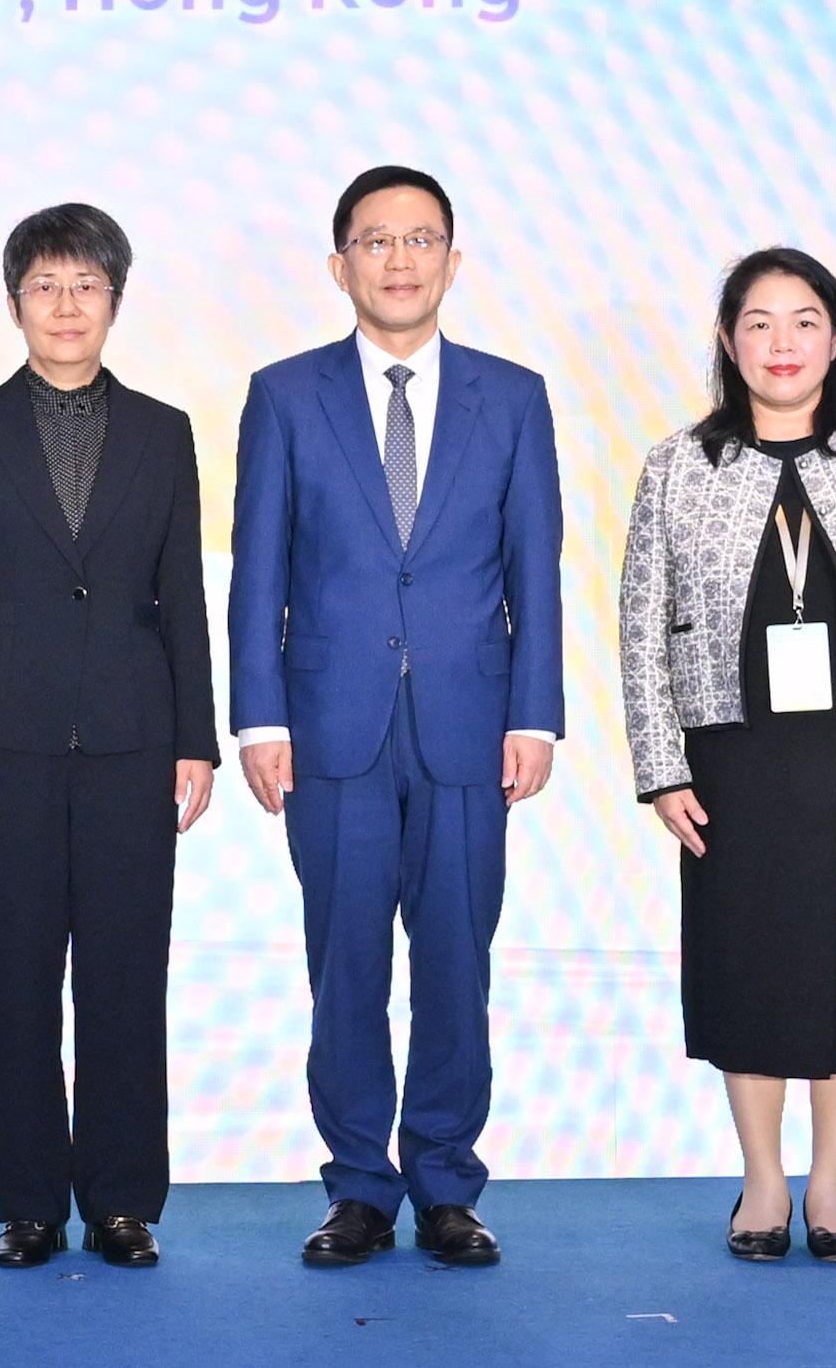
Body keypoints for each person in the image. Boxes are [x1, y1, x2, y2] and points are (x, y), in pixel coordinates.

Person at [229, 164, 563, 1268]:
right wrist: (258, 718)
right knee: (345, 965)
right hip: (328, 726)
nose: (400, 258)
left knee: (457, 959)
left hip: (473, 723)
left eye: (421, 238)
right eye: (377, 240)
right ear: (341, 265)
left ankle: (446, 1181)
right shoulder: (284, 394)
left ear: (453, 262)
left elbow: (536, 568)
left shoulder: (511, 396)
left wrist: (538, 714)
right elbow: (257, 567)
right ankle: (360, 1185)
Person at [617, 248, 836, 1265]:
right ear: (729, 341)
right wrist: (662, 764)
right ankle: (762, 1179)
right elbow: (641, 622)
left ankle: (831, 1180)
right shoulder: (678, 464)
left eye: (804, 319)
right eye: (759, 321)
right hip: (735, 748)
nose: (782, 342)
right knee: (748, 952)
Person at [0, 203, 218, 1269]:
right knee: (16, 974)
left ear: (116, 300)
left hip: (136, 738)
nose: (66, 304)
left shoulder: (163, 429)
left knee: (129, 976)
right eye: (45, 284)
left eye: (86, 283)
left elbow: (182, 593)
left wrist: (197, 737)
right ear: (13, 302)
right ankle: (31, 1201)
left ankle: (124, 1200)